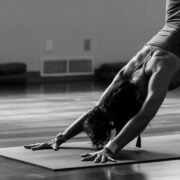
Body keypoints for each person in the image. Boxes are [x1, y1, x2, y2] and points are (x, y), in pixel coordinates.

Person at [25, 0, 180, 163]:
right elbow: (99, 109)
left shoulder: (159, 71)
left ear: (139, 99)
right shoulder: (125, 75)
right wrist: (61, 138)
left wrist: (111, 148)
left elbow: (143, 117)